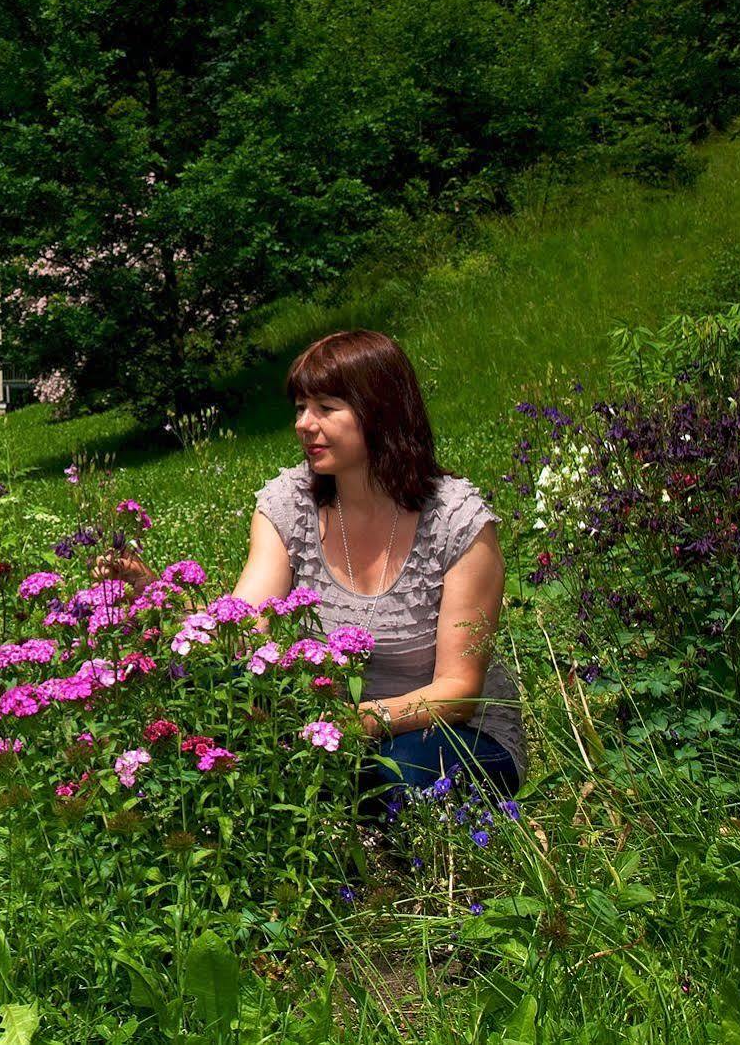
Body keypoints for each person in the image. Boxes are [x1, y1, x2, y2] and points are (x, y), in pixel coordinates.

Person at [96, 329, 524, 801]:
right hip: (325, 728)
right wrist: (158, 595)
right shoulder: (289, 504)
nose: (304, 423)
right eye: (300, 407)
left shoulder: (457, 522)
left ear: (380, 412)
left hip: (446, 730)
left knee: (396, 778)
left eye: (325, 406)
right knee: (220, 700)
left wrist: (353, 723)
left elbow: (458, 691)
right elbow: (244, 628)